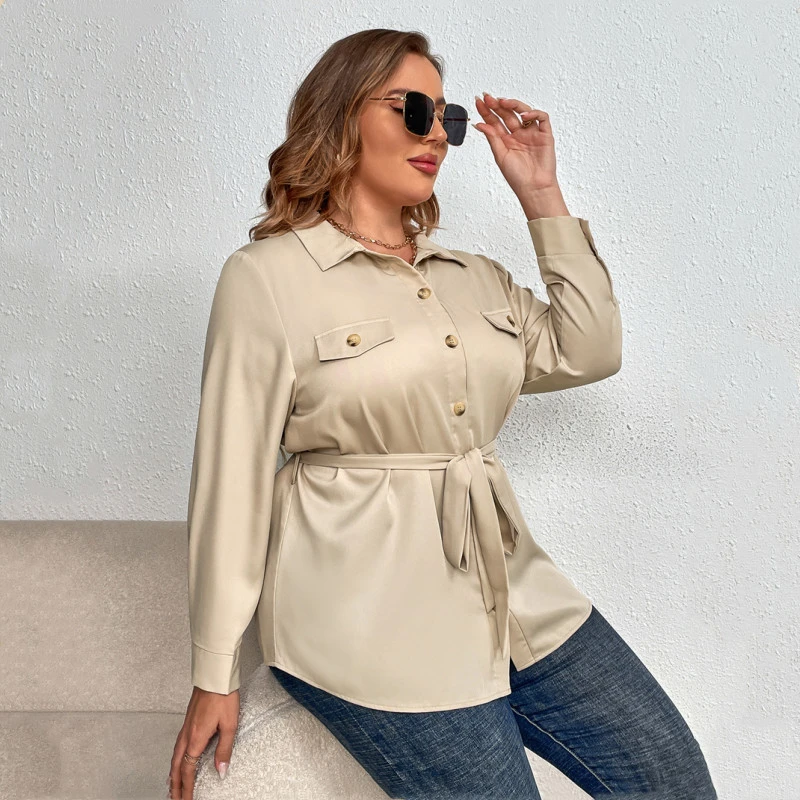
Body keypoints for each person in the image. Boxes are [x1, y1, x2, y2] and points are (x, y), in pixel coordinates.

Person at [168, 28, 717, 800]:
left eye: (448, 119)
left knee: (670, 777)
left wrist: (541, 194)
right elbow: (232, 481)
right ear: (341, 114)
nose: (436, 135)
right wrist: (215, 671)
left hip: (511, 591)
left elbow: (590, 349)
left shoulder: (471, 277)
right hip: (370, 620)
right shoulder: (268, 278)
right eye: (414, 110)